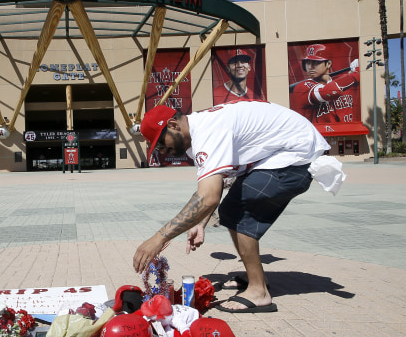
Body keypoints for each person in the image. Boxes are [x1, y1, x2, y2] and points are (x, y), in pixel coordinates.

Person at [133, 100, 330, 313]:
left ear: (173, 125)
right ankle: (255, 277)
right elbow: (216, 186)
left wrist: (158, 238)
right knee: (232, 208)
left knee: (237, 210)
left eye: (161, 143)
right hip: (283, 154)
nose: (163, 150)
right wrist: (201, 222)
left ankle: (259, 291)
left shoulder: (208, 131)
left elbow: (209, 197)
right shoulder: (201, 131)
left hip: (297, 156)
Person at [289, 44, 359, 125]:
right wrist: (356, 72)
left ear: (328, 64)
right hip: (318, 135)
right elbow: (331, 91)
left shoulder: (343, 80)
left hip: (349, 133)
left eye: (315, 62)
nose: (310, 67)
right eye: (307, 62)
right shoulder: (301, 87)